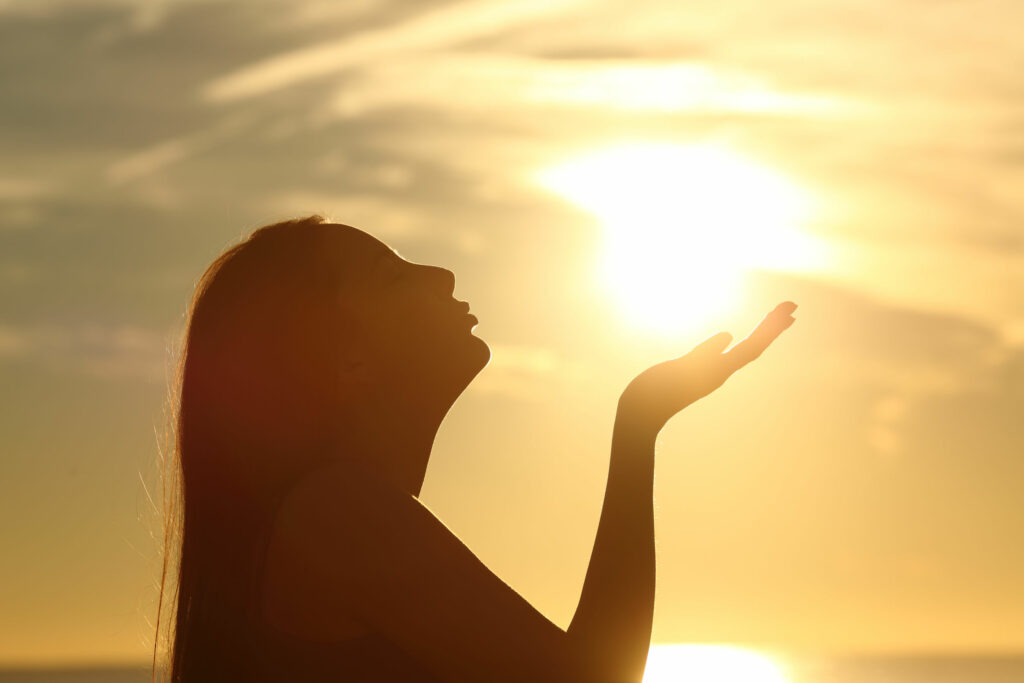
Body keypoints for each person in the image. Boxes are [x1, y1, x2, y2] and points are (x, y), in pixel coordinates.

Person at [154, 215, 797, 683]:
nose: (441, 272)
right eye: (393, 273)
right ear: (349, 361)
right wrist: (638, 426)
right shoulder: (338, 514)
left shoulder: (329, 514)